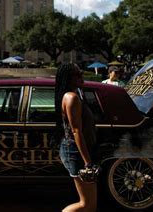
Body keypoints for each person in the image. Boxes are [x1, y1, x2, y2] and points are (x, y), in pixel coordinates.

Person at [55, 63, 99, 212]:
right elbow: (76, 131)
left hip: (77, 149)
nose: (82, 76)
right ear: (68, 78)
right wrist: (88, 163)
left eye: (81, 73)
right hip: (75, 151)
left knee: (90, 205)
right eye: (77, 74)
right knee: (87, 204)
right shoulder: (71, 97)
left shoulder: (77, 94)